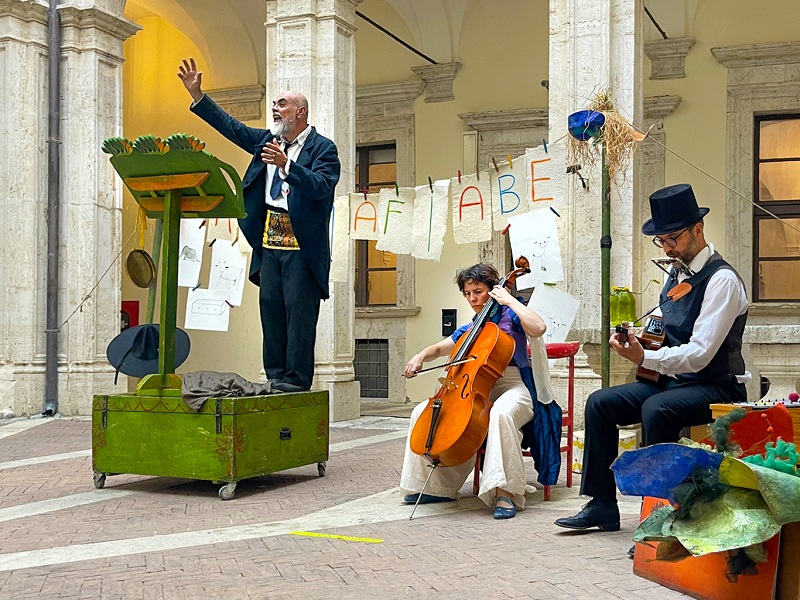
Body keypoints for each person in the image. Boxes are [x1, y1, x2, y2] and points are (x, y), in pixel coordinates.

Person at [555, 183, 749, 536]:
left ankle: (660, 516)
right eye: (661, 241)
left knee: (657, 409)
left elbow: (701, 353)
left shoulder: (722, 280)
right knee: (600, 403)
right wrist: (637, 338)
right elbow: (663, 329)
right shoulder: (675, 272)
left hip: (715, 385)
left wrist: (645, 356)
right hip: (674, 382)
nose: (667, 248)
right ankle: (601, 504)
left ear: (698, 230)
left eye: (672, 239)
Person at [177, 58, 341, 392]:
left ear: (301, 112)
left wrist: (287, 166)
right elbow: (232, 127)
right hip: (268, 240)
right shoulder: (269, 140)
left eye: (282, 104)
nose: (275, 109)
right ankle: (276, 376)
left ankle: (296, 381)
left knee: (299, 314)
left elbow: (322, 187)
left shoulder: (323, 148)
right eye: (274, 104)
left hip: (301, 245)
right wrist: (198, 96)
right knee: (271, 310)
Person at [399, 263, 556, 520]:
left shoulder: (512, 317)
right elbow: (440, 349)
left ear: (492, 290)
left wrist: (509, 300)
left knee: (501, 415)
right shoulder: (473, 327)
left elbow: (538, 327)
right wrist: (420, 356)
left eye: (479, 291)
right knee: (422, 411)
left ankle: (505, 491)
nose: (473, 299)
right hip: (475, 388)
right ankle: (436, 487)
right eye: (468, 293)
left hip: (513, 384)